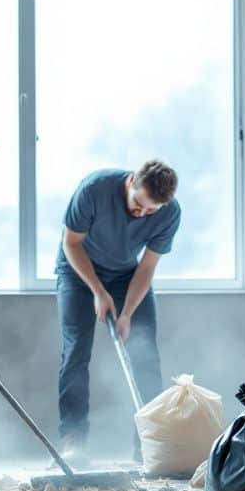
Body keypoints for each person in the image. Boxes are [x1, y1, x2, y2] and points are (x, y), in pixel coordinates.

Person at [55, 161, 181, 461]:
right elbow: (71, 243)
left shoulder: (170, 213)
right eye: (138, 204)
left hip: (127, 276)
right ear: (131, 181)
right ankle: (73, 441)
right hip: (77, 271)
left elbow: (147, 265)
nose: (142, 214)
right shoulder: (94, 189)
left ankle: (148, 446)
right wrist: (98, 291)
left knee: (145, 354)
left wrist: (126, 314)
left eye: (150, 210)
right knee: (76, 352)